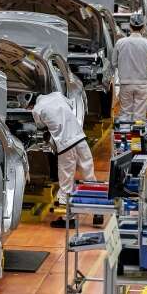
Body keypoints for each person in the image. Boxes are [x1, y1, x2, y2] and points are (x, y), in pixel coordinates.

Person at [31, 92, 97, 227]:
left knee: (66, 183)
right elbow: (71, 107)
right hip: (80, 139)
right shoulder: (57, 95)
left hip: (66, 146)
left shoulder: (37, 109)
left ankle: (68, 219)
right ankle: (98, 211)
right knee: (89, 176)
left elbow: (40, 126)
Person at [112, 14, 147, 122]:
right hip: (142, 84)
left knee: (125, 114)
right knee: (139, 117)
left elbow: (114, 63)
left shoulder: (120, 43)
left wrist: (125, 66)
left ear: (130, 26)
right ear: (143, 27)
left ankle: (124, 131)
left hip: (125, 84)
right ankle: (137, 132)